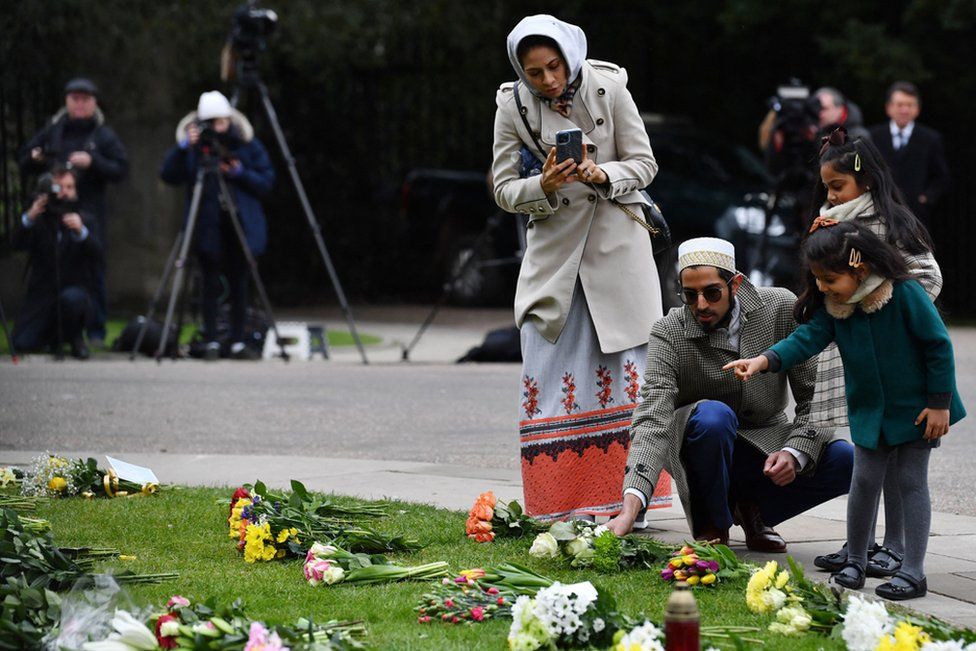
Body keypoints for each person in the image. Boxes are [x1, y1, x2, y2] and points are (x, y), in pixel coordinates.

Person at [725, 221, 965, 600]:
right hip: (871, 413)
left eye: (829, 278)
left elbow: (938, 346)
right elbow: (806, 339)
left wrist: (939, 405)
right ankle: (855, 559)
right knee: (864, 482)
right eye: (817, 279)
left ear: (861, 268)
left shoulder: (904, 295)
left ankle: (914, 571)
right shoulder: (836, 308)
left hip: (918, 412)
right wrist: (764, 360)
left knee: (911, 484)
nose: (821, 287)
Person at [492, 15, 668, 521]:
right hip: (555, 256)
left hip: (617, 249)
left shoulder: (610, 86)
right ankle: (558, 504)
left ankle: (631, 506)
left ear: (570, 55)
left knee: (631, 377)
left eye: (554, 67)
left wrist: (603, 173)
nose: (547, 80)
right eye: (534, 71)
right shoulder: (511, 105)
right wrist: (542, 187)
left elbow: (645, 163)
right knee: (551, 375)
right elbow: (504, 189)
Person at [606, 237, 854, 551]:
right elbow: (653, 418)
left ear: (734, 285)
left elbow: (816, 397)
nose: (701, 305)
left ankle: (755, 512)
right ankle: (712, 525)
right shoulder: (667, 331)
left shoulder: (779, 307)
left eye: (712, 293)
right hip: (700, 444)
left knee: (845, 459)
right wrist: (631, 506)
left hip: (766, 444)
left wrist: (794, 452)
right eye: (689, 295)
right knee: (713, 416)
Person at [806, 127, 943, 578]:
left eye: (837, 185)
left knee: (898, 462)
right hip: (853, 354)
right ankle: (859, 545)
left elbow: (926, 275)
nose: (829, 194)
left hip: (892, 356)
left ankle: (896, 545)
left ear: (865, 182)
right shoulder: (832, 221)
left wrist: (884, 308)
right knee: (869, 454)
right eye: (826, 186)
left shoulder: (892, 222)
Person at [160, 91, 274, 360]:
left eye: (220, 123)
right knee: (208, 281)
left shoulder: (246, 145)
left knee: (240, 281)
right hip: (207, 223)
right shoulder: (194, 148)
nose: (216, 130)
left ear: (229, 120)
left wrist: (239, 173)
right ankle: (210, 338)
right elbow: (168, 174)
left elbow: (267, 181)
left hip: (241, 224)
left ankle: (237, 340)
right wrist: (184, 147)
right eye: (209, 124)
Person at [18, 78, 128, 347]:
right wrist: (35, 158)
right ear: (66, 101)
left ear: (94, 103)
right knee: (47, 267)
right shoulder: (54, 130)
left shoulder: (103, 135)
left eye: (85, 99)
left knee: (93, 266)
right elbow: (24, 159)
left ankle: (95, 331)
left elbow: (121, 169)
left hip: (89, 211)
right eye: (74, 98)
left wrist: (94, 161)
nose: (79, 104)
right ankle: (50, 329)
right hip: (52, 213)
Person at [11, 168, 102, 360]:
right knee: (22, 343)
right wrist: (30, 216)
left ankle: (75, 337)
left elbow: (98, 254)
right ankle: (53, 338)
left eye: (69, 187)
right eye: (59, 187)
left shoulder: (84, 218)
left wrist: (81, 231)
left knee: (72, 299)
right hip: (43, 296)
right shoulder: (40, 218)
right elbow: (17, 244)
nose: (64, 192)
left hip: (73, 291)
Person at [868, 82, 950, 227]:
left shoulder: (930, 139)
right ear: (889, 108)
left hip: (916, 216)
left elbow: (941, 176)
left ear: (917, 109)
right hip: (881, 212)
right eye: (900, 105)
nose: (904, 110)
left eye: (909, 105)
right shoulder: (874, 136)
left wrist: (926, 198)